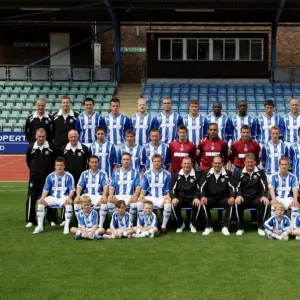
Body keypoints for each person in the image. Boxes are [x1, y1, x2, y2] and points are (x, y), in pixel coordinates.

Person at [33, 157, 75, 235]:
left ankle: (66, 226)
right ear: (55, 166)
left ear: (64, 166)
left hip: (64, 197)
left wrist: (69, 198)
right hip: (52, 197)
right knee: (41, 203)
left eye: (61, 165)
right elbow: (46, 189)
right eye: (58, 165)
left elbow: (72, 190)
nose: (59, 167)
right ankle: (40, 227)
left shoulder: (69, 176)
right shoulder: (50, 176)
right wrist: (42, 198)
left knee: (69, 203)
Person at [25, 128, 56, 228]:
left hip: (49, 178)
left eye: (43, 137)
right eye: (39, 136)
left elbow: (55, 161)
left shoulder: (51, 147)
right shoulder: (31, 148)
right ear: (35, 136)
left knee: (50, 198)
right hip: (35, 178)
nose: (41, 138)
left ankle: (51, 219)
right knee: (32, 198)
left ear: (46, 136)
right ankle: (31, 219)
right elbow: (28, 161)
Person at [199, 156, 236, 236]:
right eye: (215, 163)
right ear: (212, 164)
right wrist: (202, 196)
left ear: (222, 164)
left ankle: (225, 227)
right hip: (211, 198)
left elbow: (232, 187)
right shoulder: (206, 173)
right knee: (203, 202)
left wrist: (232, 196)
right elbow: (202, 186)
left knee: (231, 202)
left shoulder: (228, 173)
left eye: (219, 163)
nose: (217, 165)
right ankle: (208, 227)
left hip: (223, 198)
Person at [235, 153, 269, 236]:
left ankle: (261, 227)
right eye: (248, 162)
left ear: (255, 162)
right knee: (237, 203)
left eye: (252, 162)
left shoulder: (260, 172)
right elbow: (237, 187)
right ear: (244, 163)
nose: (250, 164)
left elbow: (264, 186)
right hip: (244, 198)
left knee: (265, 203)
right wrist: (239, 195)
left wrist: (264, 196)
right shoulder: (240, 173)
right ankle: (240, 227)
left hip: (256, 198)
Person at [137, 154, 172, 233]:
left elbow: (167, 191)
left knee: (168, 204)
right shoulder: (147, 174)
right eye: (155, 161)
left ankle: (163, 226)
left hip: (161, 197)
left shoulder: (167, 175)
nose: (156, 163)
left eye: (158, 161)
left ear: (162, 162)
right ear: (152, 162)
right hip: (150, 198)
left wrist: (168, 197)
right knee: (139, 203)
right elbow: (144, 189)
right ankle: (142, 224)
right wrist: (141, 196)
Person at [74, 155, 109, 228]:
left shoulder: (103, 174)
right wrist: (77, 196)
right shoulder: (84, 173)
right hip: (86, 195)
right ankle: (80, 224)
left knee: (104, 201)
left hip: (98, 195)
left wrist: (104, 196)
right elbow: (79, 186)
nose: (94, 164)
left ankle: (100, 225)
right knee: (76, 201)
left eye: (96, 162)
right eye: (92, 162)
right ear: (89, 163)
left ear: (98, 163)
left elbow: (105, 186)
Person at [169, 156, 202, 233]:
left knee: (198, 204)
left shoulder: (197, 175)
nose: (186, 165)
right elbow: (172, 189)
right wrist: (173, 197)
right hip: (180, 197)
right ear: (181, 164)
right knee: (173, 204)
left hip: (192, 197)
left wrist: (197, 197)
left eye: (188, 163)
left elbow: (200, 188)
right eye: (185, 163)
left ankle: (193, 224)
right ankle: (180, 224)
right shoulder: (176, 174)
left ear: (191, 164)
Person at [108, 153, 141, 223]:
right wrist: (111, 195)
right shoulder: (116, 172)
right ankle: (117, 221)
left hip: (130, 196)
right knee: (110, 203)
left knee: (135, 204)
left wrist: (135, 195)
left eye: (128, 159)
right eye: (124, 159)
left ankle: (129, 223)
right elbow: (112, 186)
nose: (126, 161)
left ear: (131, 161)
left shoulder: (136, 172)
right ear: (121, 161)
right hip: (118, 196)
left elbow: (138, 186)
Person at [269, 157, 299, 226]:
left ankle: (294, 228)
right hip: (278, 198)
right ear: (279, 165)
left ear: (289, 166)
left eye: (286, 164)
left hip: (288, 199)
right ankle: (275, 227)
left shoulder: (293, 177)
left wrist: (295, 200)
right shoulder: (273, 176)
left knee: (295, 206)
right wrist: (273, 199)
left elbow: (295, 189)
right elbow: (271, 189)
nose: (284, 166)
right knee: (274, 206)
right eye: (282, 164)